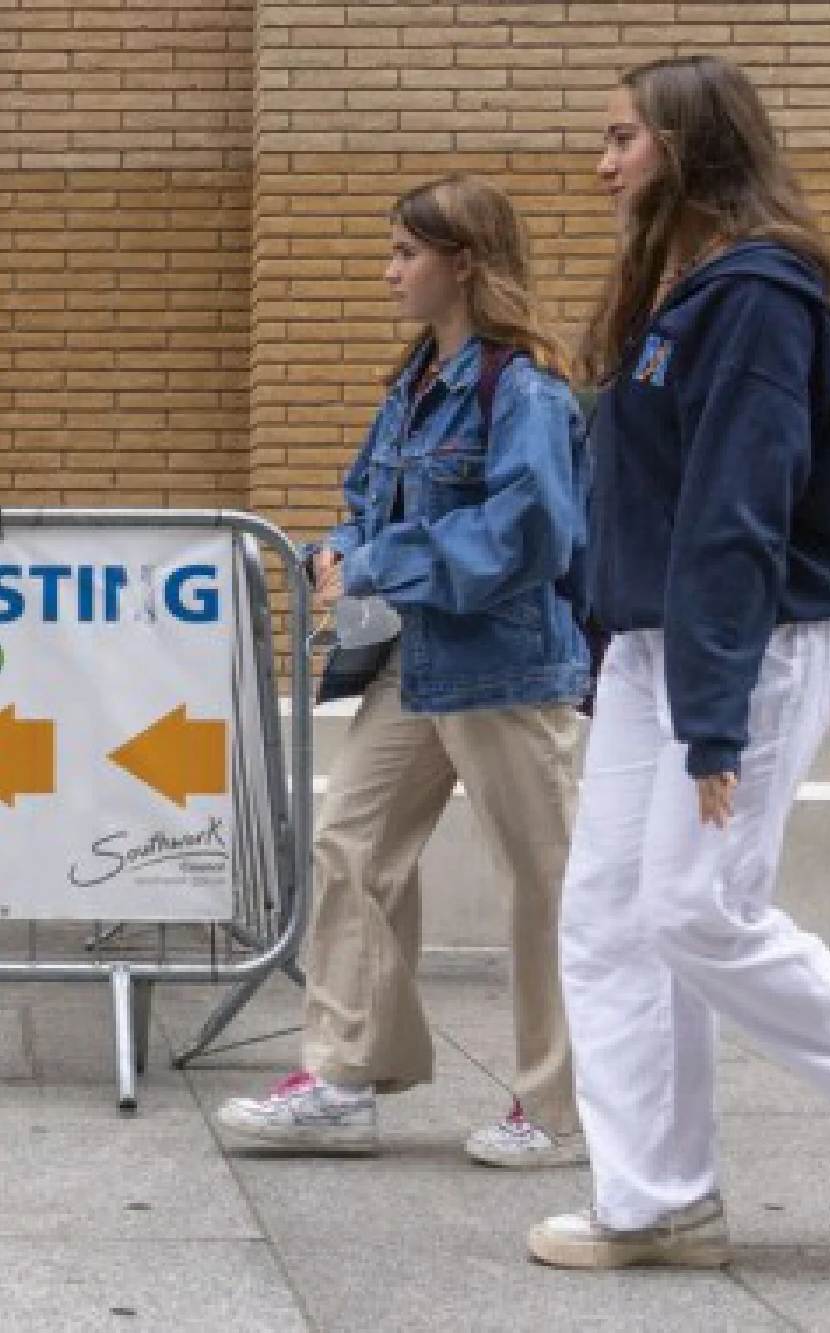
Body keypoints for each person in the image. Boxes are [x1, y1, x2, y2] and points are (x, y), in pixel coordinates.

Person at [529, 54, 830, 1269]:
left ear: (688, 147)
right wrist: (605, 649)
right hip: (649, 647)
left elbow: (736, 513)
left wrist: (714, 718)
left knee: (694, 906)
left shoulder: (755, 298)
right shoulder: (677, 299)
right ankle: (656, 1198)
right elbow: (632, 500)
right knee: (610, 919)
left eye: (621, 137)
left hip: (749, 641)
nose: (602, 162)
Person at [217, 175, 593, 1165]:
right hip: (414, 659)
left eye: (403, 253)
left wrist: (378, 561)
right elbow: (366, 500)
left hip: (508, 669)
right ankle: (344, 1078)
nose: (387, 272)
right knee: (349, 849)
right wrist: (340, 546)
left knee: (546, 886)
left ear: (461, 261)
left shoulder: (523, 389)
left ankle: (559, 1110)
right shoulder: (412, 386)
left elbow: (532, 528)